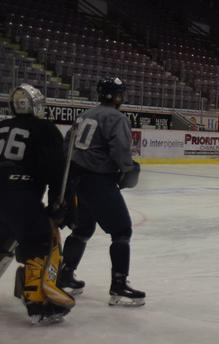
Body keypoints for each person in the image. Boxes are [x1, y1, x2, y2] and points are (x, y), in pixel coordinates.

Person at [0, 83, 75, 325]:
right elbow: (56, 171)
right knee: (40, 240)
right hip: (20, 198)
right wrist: (58, 205)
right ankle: (39, 300)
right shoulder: (45, 129)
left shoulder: (0, 126)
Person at [58, 77, 146, 307]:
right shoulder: (116, 117)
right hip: (98, 180)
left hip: (76, 181)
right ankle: (119, 286)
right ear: (117, 96)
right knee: (122, 230)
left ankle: (64, 276)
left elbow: (66, 147)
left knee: (82, 228)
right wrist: (128, 168)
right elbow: (120, 150)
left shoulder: (84, 116)